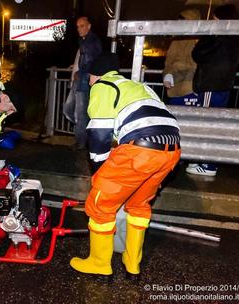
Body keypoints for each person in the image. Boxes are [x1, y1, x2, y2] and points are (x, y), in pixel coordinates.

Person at [70, 53, 181, 280]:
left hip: (140, 149)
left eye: (90, 77)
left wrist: (100, 168)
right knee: (139, 205)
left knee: (100, 206)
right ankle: (132, 265)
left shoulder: (103, 86)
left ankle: (99, 265)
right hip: (172, 148)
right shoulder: (139, 87)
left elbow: (100, 133)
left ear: (95, 75)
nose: (89, 81)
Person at [186, 4, 239, 176]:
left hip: (211, 85)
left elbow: (197, 54)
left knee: (206, 123)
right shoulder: (235, 39)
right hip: (223, 86)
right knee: (215, 123)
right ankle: (207, 161)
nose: (213, 21)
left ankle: (207, 163)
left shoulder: (219, 38)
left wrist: (208, 35)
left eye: (215, 19)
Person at [72, 16, 102, 150]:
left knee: (81, 113)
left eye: (82, 26)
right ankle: (84, 139)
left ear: (89, 26)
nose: (79, 29)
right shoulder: (84, 40)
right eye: (78, 26)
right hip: (83, 80)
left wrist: (81, 72)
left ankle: (81, 142)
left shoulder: (92, 41)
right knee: (74, 110)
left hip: (85, 81)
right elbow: (85, 60)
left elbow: (92, 61)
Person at [163, 9, 201, 106]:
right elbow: (168, 63)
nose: (180, 25)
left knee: (193, 119)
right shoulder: (176, 40)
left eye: (184, 22)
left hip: (192, 88)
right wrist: (167, 74)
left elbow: (200, 64)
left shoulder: (200, 40)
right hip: (175, 88)